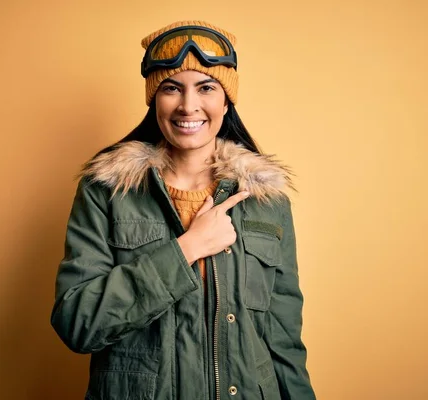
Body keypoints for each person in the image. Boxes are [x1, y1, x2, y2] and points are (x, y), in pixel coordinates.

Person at [51, 20, 316, 400]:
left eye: (206, 88)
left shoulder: (267, 202)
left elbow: (285, 345)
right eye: (171, 88)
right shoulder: (106, 192)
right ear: (153, 100)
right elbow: (76, 322)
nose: (188, 105)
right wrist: (187, 248)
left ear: (227, 101)